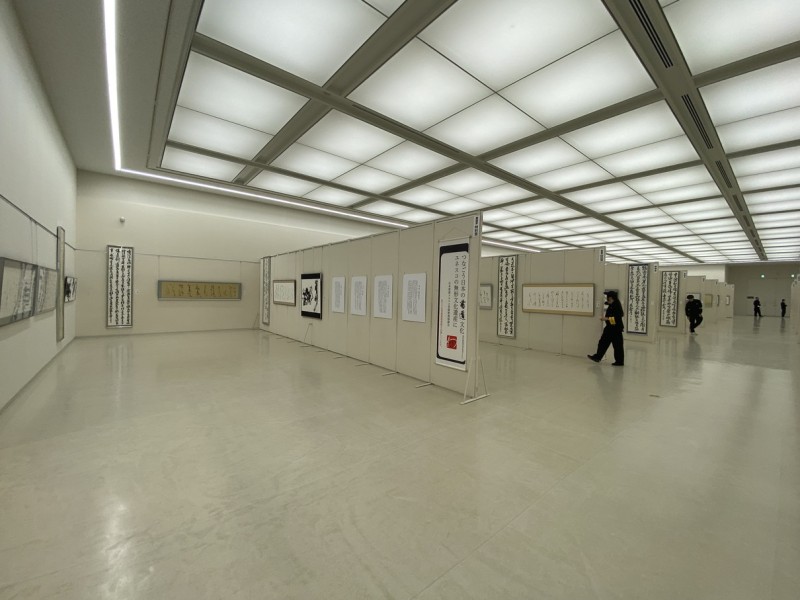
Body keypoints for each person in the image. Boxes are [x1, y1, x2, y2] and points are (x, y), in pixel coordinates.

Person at [588, 290, 624, 366]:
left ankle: (619, 361)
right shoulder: (612, 304)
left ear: (611, 297)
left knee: (616, 345)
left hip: (615, 329)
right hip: (611, 328)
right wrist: (606, 319)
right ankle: (598, 357)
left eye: (607, 297)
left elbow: (616, 318)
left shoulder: (616, 305)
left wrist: (606, 319)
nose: (607, 298)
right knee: (605, 343)